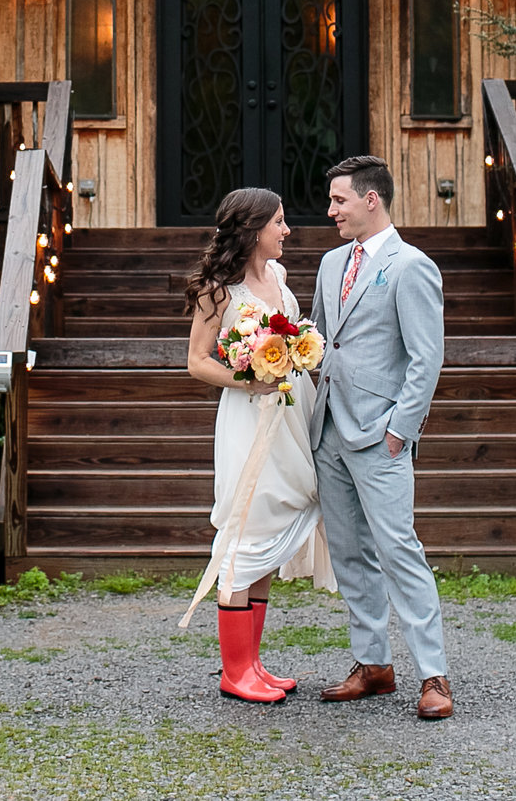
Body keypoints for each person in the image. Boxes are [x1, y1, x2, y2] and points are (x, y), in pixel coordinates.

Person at [309, 152, 453, 720]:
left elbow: (427, 357)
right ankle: (373, 665)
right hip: (329, 432)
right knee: (348, 553)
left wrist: (400, 430)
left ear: (372, 199)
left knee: (399, 551)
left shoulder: (412, 265)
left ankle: (434, 675)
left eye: (339, 200)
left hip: (380, 436)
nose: (331, 211)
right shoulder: (328, 264)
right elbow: (320, 339)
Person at [184, 186, 334, 702]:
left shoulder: (280, 277)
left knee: (272, 538)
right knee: (246, 533)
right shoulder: (218, 291)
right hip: (250, 419)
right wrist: (248, 378)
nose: (287, 231)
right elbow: (198, 361)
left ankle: (252, 663)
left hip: (293, 414)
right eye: (279, 222)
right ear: (252, 231)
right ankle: (233, 672)